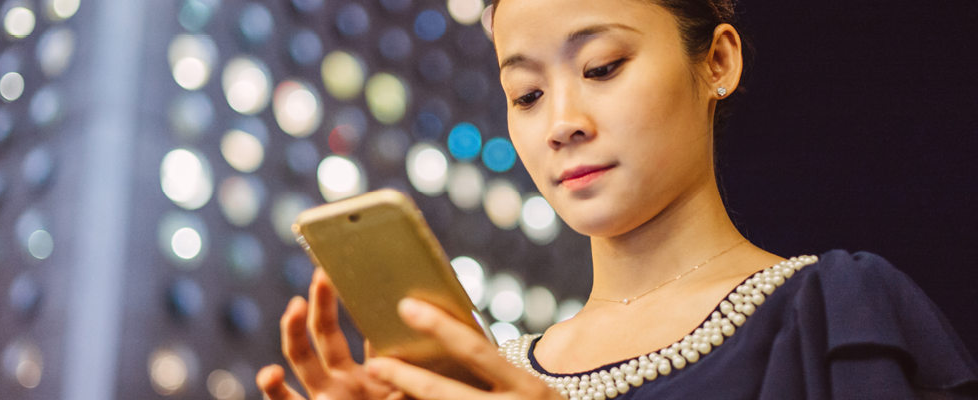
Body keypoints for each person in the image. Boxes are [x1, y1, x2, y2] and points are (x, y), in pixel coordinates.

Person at [256, 0, 978, 398]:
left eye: (602, 67)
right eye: (527, 94)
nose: (563, 123)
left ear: (717, 60)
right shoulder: (489, 379)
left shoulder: (836, 311)